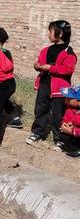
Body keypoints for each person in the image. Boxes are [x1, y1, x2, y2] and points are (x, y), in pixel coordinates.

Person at [26, 20, 77, 149]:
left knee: (58, 114)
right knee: (40, 109)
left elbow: (68, 69)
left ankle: (60, 138)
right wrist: (37, 66)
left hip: (59, 89)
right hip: (44, 84)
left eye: (50, 31)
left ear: (59, 34)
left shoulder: (68, 53)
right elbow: (40, 62)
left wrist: (51, 68)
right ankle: (37, 132)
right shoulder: (45, 50)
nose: (48, 34)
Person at [58, 84, 80, 157]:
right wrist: (67, 124)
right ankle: (75, 148)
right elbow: (67, 118)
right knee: (63, 134)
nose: (66, 100)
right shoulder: (70, 107)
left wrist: (72, 131)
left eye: (69, 98)